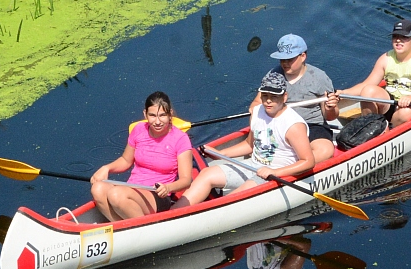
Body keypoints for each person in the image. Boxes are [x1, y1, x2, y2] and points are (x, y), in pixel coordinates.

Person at [182, 71, 314, 205]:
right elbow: (249, 144)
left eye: (274, 96)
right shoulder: (257, 112)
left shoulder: (293, 125)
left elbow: (308, 161)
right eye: (265, 95)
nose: (268, 101)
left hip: (277, 174)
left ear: (284, 97)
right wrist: (221, 154)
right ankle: (176, 211)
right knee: (207, 174)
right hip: (253, 165)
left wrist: (275, 172)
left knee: (233, 198)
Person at [90, 91, 196, 221]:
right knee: (97, 188)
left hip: (158, 194)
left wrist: (168, 187)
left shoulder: (180, 139)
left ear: (170, 114)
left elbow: (186, 180)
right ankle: (122, 226)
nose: (157, 121)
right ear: (145, 114)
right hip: (132, 189)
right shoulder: (139, 130)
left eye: (162, 115)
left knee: (116, 194)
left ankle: (145, 227)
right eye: (152, 116)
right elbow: (125, 160)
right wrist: (106, 168)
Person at [253, 34, 339, 163]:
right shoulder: (273, 75)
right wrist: (255, 111)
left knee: (325, 150)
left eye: (289, 59)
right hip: (281, 124)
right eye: (282, 59)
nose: (285, 63)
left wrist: (330, 108)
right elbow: (256, 103)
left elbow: (330, 117)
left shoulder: (319, 77)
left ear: (303, 56)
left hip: (312, 125)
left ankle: (292, 166)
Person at [336, 18, 411, 127]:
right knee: (368, 90)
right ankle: (369, 126)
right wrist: (344, 93)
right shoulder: (386, 58)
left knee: (405, 113)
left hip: (410, 106)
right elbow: (366, 84)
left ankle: (391, 129)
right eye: (395, 36)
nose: (398, 40)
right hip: (389, 103)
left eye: (404, 37)